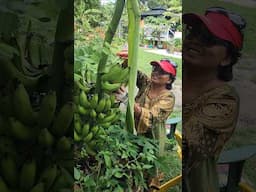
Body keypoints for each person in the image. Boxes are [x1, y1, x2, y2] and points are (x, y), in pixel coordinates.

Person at [182, 7, 246, 192]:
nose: (195, 40)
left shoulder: (225, 101)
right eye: (193, 32)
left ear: (226, 58)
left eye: (208, 39)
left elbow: (188, 146)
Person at [116, 53, 177, 187]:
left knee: (148, 168)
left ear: (169, 80)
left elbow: (151, 117)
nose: (156, 73)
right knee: (131, 161)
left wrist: (127, 100)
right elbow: (133, 72)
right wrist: (128, 58)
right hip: (135, 131)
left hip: (153, 136)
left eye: (162, 72)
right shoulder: (147, 83)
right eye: (155, 69)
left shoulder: (168, 98)